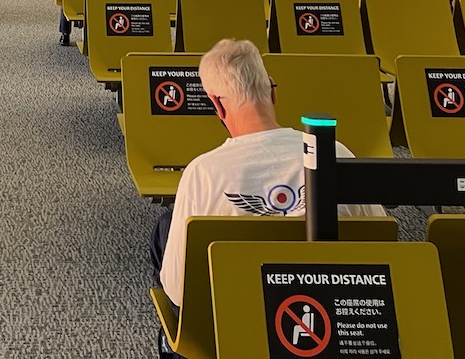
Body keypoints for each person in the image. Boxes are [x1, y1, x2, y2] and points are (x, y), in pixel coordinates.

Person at [153, 40, 382, 307]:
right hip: (336, 310)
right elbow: (380, 240)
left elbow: (179, 289)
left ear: (217, 104)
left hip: (234, 319)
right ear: (272, 91)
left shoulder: (203, 172)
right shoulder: (335, 152)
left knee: (166, 227)